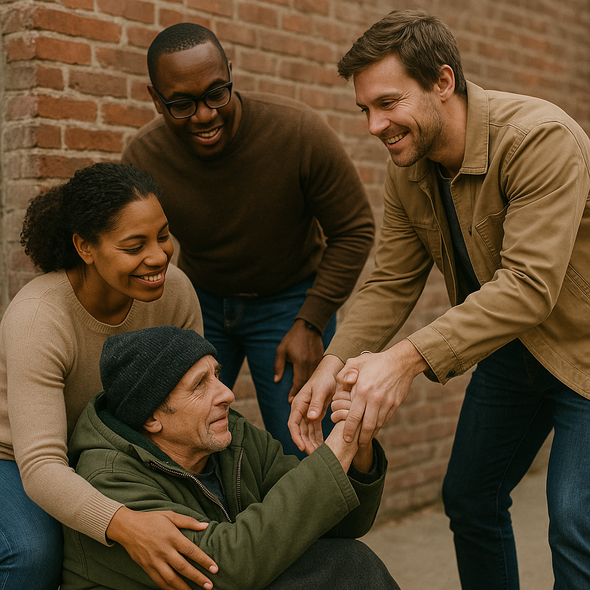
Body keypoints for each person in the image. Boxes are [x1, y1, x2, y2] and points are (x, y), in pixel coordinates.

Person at [289, 9, 590, 590]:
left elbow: (528, 286)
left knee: (575, 521)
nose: (374, 125)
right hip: (512, 354)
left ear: (443, 82)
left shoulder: (538, 138)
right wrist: (332, 363)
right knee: (471, 499)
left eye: (388, 103)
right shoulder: (409, 165)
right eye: (365, 110)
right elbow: (393, 278)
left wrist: (402, 361)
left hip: (583, 351)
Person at [121, 23, 375, 457]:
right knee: (181, 438)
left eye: (216, 93)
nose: (204, 115)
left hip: (290, 303)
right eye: (181, 104)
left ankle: (319, 528)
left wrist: (311, 321)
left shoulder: (297, 133)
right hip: (201, 301)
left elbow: (355, 229)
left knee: (303, 443)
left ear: (230, 74)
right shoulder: (144, 157)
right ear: (154, 98)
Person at [0, 162, 218, 590]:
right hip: (13, 454)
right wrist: (127, 525)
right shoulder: (38, 318)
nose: (157, 256)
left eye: (162, 236)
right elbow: (42, 465)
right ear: (85, 246)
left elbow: (192, 397)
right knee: (33, 553)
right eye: (134, 245)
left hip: (108, 445)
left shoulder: (175, 291)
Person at [60, 326, 399, 590]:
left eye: (217, 375)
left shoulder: (230, 438)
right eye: (199, 385)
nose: (227, 394)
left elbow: (341, 525)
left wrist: (359, 441)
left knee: (348, 562)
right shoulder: (108, 478)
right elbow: (222, 569)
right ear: (151, 418)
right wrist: (339, 446)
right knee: (348, 568)